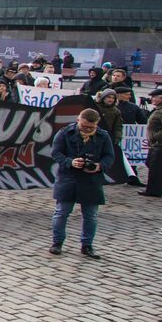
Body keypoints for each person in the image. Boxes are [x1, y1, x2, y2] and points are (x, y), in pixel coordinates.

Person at [50, 108, 114, 258]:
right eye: (84, 126)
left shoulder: (103, 136)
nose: (87, 129)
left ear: (97, 124)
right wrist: (70, 162)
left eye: (91, 127)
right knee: (61, 212)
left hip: (91, 180)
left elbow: (109, 156)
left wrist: (99, 166)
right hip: (68, 178)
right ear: (78, 120)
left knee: (90, 215)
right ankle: (57, 243)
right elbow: (55, 153)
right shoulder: (65, 133)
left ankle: (87, 245)